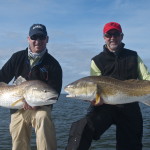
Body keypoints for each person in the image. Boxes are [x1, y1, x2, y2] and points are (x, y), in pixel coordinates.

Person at [66, 22, 150, 150]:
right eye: (108, 34)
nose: (112, 37)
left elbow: (146, 78)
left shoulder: (133, 56)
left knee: (131, 145)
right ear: (104, 37)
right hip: (105, 107)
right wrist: (94, 101)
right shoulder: (97, 60)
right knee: (81, 128)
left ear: (121, 36)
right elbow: (95, 86)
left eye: (115, 34)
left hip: (130, 106)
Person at [0, 24, 62, 150]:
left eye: (42, 37)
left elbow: (55, 95)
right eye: (34, 37)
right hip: (17, 107)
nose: (38, 41)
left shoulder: (54, 65)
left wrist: (37, 104)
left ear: (47, 39)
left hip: (41, 107)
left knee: (43, 117)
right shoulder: (17, 57)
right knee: (17, 133)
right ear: (28, 38)